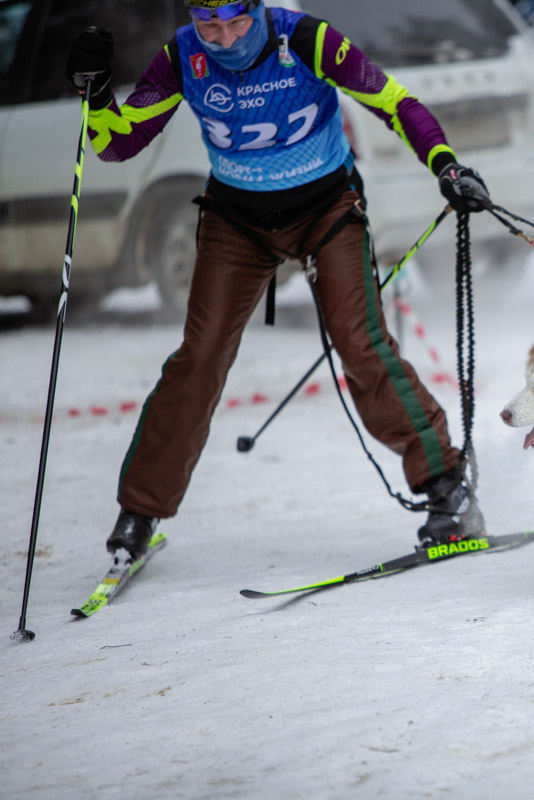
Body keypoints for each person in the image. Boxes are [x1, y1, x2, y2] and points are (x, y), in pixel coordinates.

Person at [64, 0, 492, 561]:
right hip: (237, 221)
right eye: (208, 24)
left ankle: (445, 483)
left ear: (258, 8)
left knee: (359, 342)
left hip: (326, 210)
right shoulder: (182, 57)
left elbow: (394, 102)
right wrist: (97, 95)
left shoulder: (308, 40)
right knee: (201, 355)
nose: (223, 39)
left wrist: (445, 164)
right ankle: (141, 509)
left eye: (237, 22)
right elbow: (117, 143)